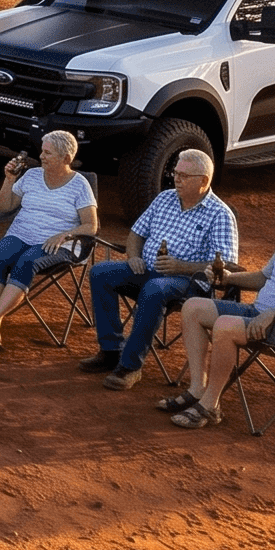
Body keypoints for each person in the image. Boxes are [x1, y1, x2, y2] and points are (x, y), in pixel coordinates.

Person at [164, 188, 275, 429]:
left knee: (225, 326)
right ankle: (197, 388)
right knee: (193, 308)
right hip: (260, 314)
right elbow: (263, 278)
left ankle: (210, 406)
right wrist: (228, 278)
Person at [80, 146, 239, 389]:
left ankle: (130, 366)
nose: (176, 179)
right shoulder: (164, 198)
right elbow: (136, 232)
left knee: (155, 289)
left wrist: (181, 266)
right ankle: (111, 350)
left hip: (190, 283)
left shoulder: (220, 215)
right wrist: (133, 256)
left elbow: (224, 266)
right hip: (149, 271)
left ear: (204, 181)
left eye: (184, 176)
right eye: (175, 173)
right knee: (101, 272)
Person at [0, 130, 97, 347]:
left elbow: (91, 225)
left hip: (56, 244)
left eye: (48, 153)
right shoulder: (32, 176)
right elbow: (4, 207)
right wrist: (9, 180)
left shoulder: (79, 185)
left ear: (66, 159)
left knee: (27, 262)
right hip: (21, 235)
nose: (41, 156)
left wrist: (64, 235)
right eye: (42, 151)